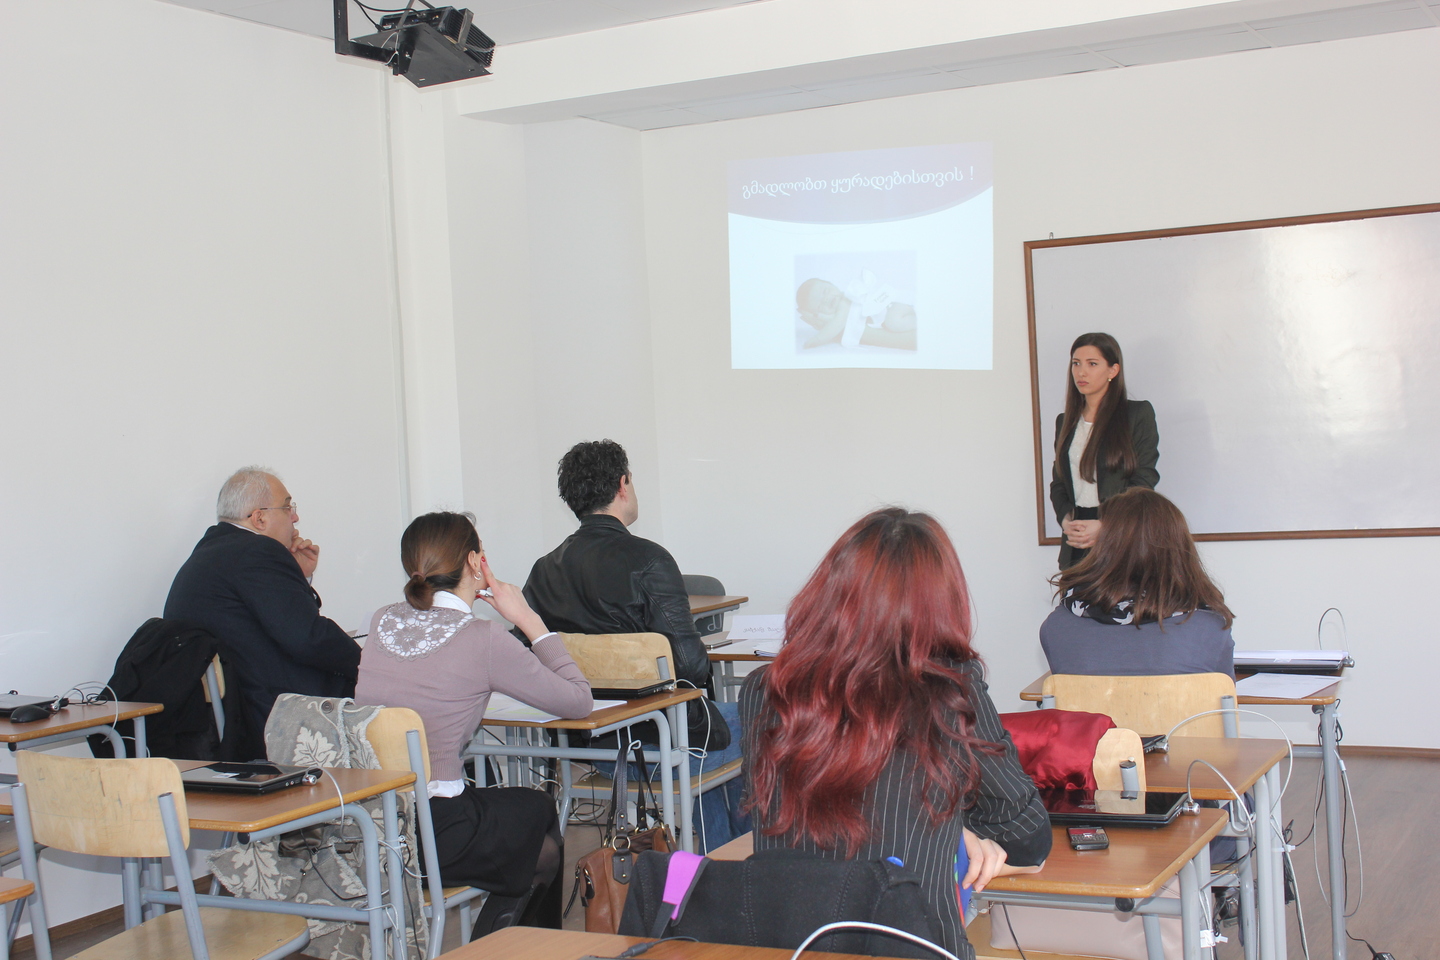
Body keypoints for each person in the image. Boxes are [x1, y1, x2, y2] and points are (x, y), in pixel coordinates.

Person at [741, 508, 1051, 959]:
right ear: (943, 604)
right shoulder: (948, 691)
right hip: (913, 946)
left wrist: (947, 825)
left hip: (786, 945)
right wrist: (955, 823)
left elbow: (832, 815)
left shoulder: (764, 690)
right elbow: (1026, 836)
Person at [355, 511, 592, 935]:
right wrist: (527, 619)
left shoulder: (381, 620)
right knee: (539, 819)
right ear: (473, 562)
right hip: (433, 831)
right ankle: (507, 946)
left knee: (532, 827)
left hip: (373, 823)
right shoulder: (481, 637)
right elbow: (578, 700)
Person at [521, 439, 744, 849]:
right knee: (763, 718)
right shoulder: (649, 559)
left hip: (592, 748)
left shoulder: (543, 570)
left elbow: (529, 656)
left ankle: (714, 865)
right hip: (663, 740)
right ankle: (743, 861)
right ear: (623, 485)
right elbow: (691, 669)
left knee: (714, 749)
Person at [165, 467, 360, 762]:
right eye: (287, 507)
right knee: (397, 696)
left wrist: (298, 576)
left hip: (229, 714)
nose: (295, 517)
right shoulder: (257, 552)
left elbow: (285, 623)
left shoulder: (213, 551)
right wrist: (368, 664)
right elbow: (307, 638)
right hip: (269, 714)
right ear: (259, 518)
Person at [1040, 487, 1235, 678]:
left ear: (1102, 548)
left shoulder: (1058, 625)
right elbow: (1222, 704)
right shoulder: (1211, 627)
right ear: (1179, 549)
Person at [1050, 332, 1159, 569]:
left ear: (1113, 370)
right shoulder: (1065, 421)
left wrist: (1107, 523)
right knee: (1074, 605)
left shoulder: (1136, 414)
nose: (1081, 372)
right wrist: (1066, 520)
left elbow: (1145, 478)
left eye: (1092, 364)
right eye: (1076, 364)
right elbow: (1059, 483)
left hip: (1120, 534)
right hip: (1077, 538)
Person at [796, 275, 917, 351]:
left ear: (833, 285)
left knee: (893, 322)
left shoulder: (846, 301)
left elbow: (837, 324)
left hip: (895, 305)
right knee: (892, 323)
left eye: (825, 291)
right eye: (820, 305)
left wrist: (818, 339)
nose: (826, 299)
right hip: (893, 311)